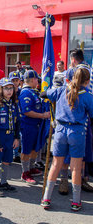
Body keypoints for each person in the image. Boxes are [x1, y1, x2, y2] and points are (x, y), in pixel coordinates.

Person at [40, 67, 93, 211]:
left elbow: (44, 93)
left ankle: (46, 198)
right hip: (77, 132)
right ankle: (76, 201)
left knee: (56, 164)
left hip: (60, 131)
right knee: (75, 167)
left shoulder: (62, 90)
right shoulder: (87, 95)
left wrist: (46, 93)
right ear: (87, 81)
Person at [0, 78, 20, 197]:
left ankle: (3, 182)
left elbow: (17, 122)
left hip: (10, 136)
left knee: (6, 161)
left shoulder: (13, 105)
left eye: (11, 88)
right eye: (6, 88)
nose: (9, 91)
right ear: (0, 90)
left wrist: (17, 138)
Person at [18, 70, 50, 184]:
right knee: (26, 150)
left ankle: (31, 168)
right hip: (28, 126)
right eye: (37, 79)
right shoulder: (25, 93)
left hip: (36, 125)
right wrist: (42, 115)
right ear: (32, 80)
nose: (38, 81)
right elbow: (27, 111)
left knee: (34, 148)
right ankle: (25, 172)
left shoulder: (33, 91)